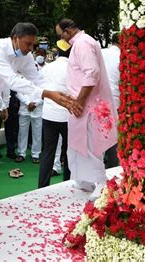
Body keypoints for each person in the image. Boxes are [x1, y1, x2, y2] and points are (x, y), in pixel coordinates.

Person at [0, 21, 79, 204]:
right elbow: (12, 81)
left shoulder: (26, 56)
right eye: (27, 44)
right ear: (15, 38)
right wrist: (48, 94)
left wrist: (58, 95)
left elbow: (37, 79)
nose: (30, 49)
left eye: (32, 45)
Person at [56, 18, 117, 200]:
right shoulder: (81, 43)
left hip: (88, 105)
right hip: (81, 104)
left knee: (90, 144)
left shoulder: (83, 43)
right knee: (77, 144)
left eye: (60, 36)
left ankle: (101, 182)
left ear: (68, 31)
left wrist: (80, 101)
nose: (61, 41)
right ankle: (85, 179)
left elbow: (92, 74)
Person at [38, 39, 71, 187]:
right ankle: (68, 183)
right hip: (67, 116)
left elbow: (40, 87)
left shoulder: (47, 68)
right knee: (69, 151)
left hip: (49, 115)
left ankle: (42, 185)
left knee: (48, 151)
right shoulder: (73, 69)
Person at [101, 32, 120, 169]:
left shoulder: (102, 53)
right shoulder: (122, 56)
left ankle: (97, 168)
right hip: (114, 99)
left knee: (99, 136)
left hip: (98, 99)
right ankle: (112, 169)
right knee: (113, 138)